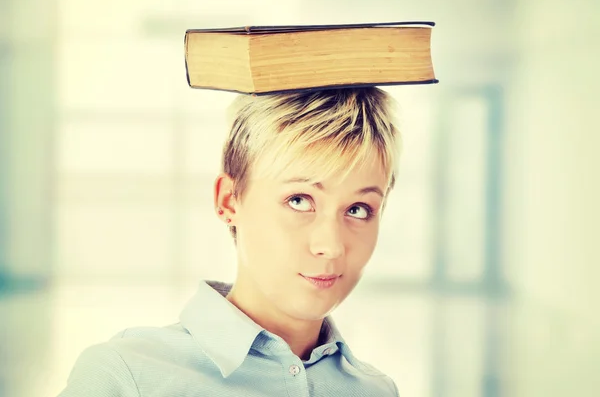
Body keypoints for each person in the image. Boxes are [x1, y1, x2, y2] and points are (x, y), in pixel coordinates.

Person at [58, 86, 402, 396]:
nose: (331, 246)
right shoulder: (126, 375)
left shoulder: (376, 390)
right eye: (299, 200)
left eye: (358, 209)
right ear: (229, 200)